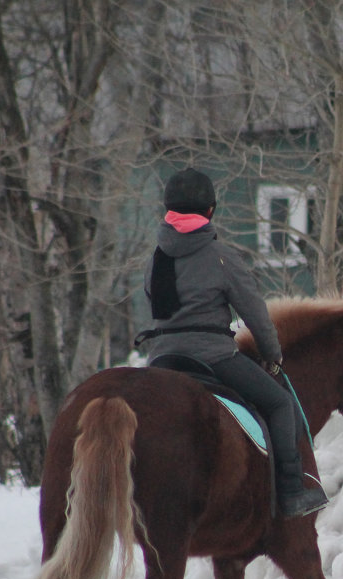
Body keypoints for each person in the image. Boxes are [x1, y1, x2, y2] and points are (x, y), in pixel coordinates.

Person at [140, 167, 328, 518]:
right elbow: (256, 315)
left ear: (168, 211)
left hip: (161, 360)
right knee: (278, 403)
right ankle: (291, 493)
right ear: (210, 211)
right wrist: (273, 356)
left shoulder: (155, 259)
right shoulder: (221, 257)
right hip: (213, 358)